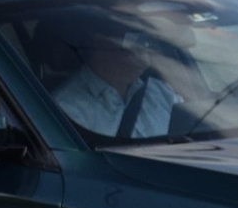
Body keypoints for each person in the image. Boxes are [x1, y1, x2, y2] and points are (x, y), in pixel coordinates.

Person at [46, 22, 178, 141]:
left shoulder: (161, 92)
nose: (145, 61)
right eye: (131, 48)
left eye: (145, 47)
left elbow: (190, 127)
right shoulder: (66, 107)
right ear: (100, 45)